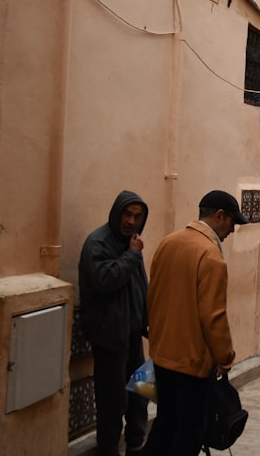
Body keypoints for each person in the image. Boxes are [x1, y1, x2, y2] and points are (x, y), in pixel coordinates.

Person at [143, 190, 244, 455]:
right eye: (232, 223)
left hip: (162, 357)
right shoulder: (212, 257)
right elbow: (213, 316)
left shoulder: (168, 242)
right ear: (219, 216)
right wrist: (225, 357)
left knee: (165, 425)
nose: (232, 231)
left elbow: (153, 297)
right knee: (188, 434)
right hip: (192, 365)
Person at [78, 190, 150, 456]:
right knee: (112, 402)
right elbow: (105, 281)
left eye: (137, 216)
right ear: (116, 213)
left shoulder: (131, 243)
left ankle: (136, 445)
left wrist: (148, 321)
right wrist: (132, 255)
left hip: (133, 335)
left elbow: (140, 286)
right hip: (109, 338)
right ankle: (109, 450)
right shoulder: (98, 243)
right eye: (127, 214)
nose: (131, 221)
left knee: (141, 393)